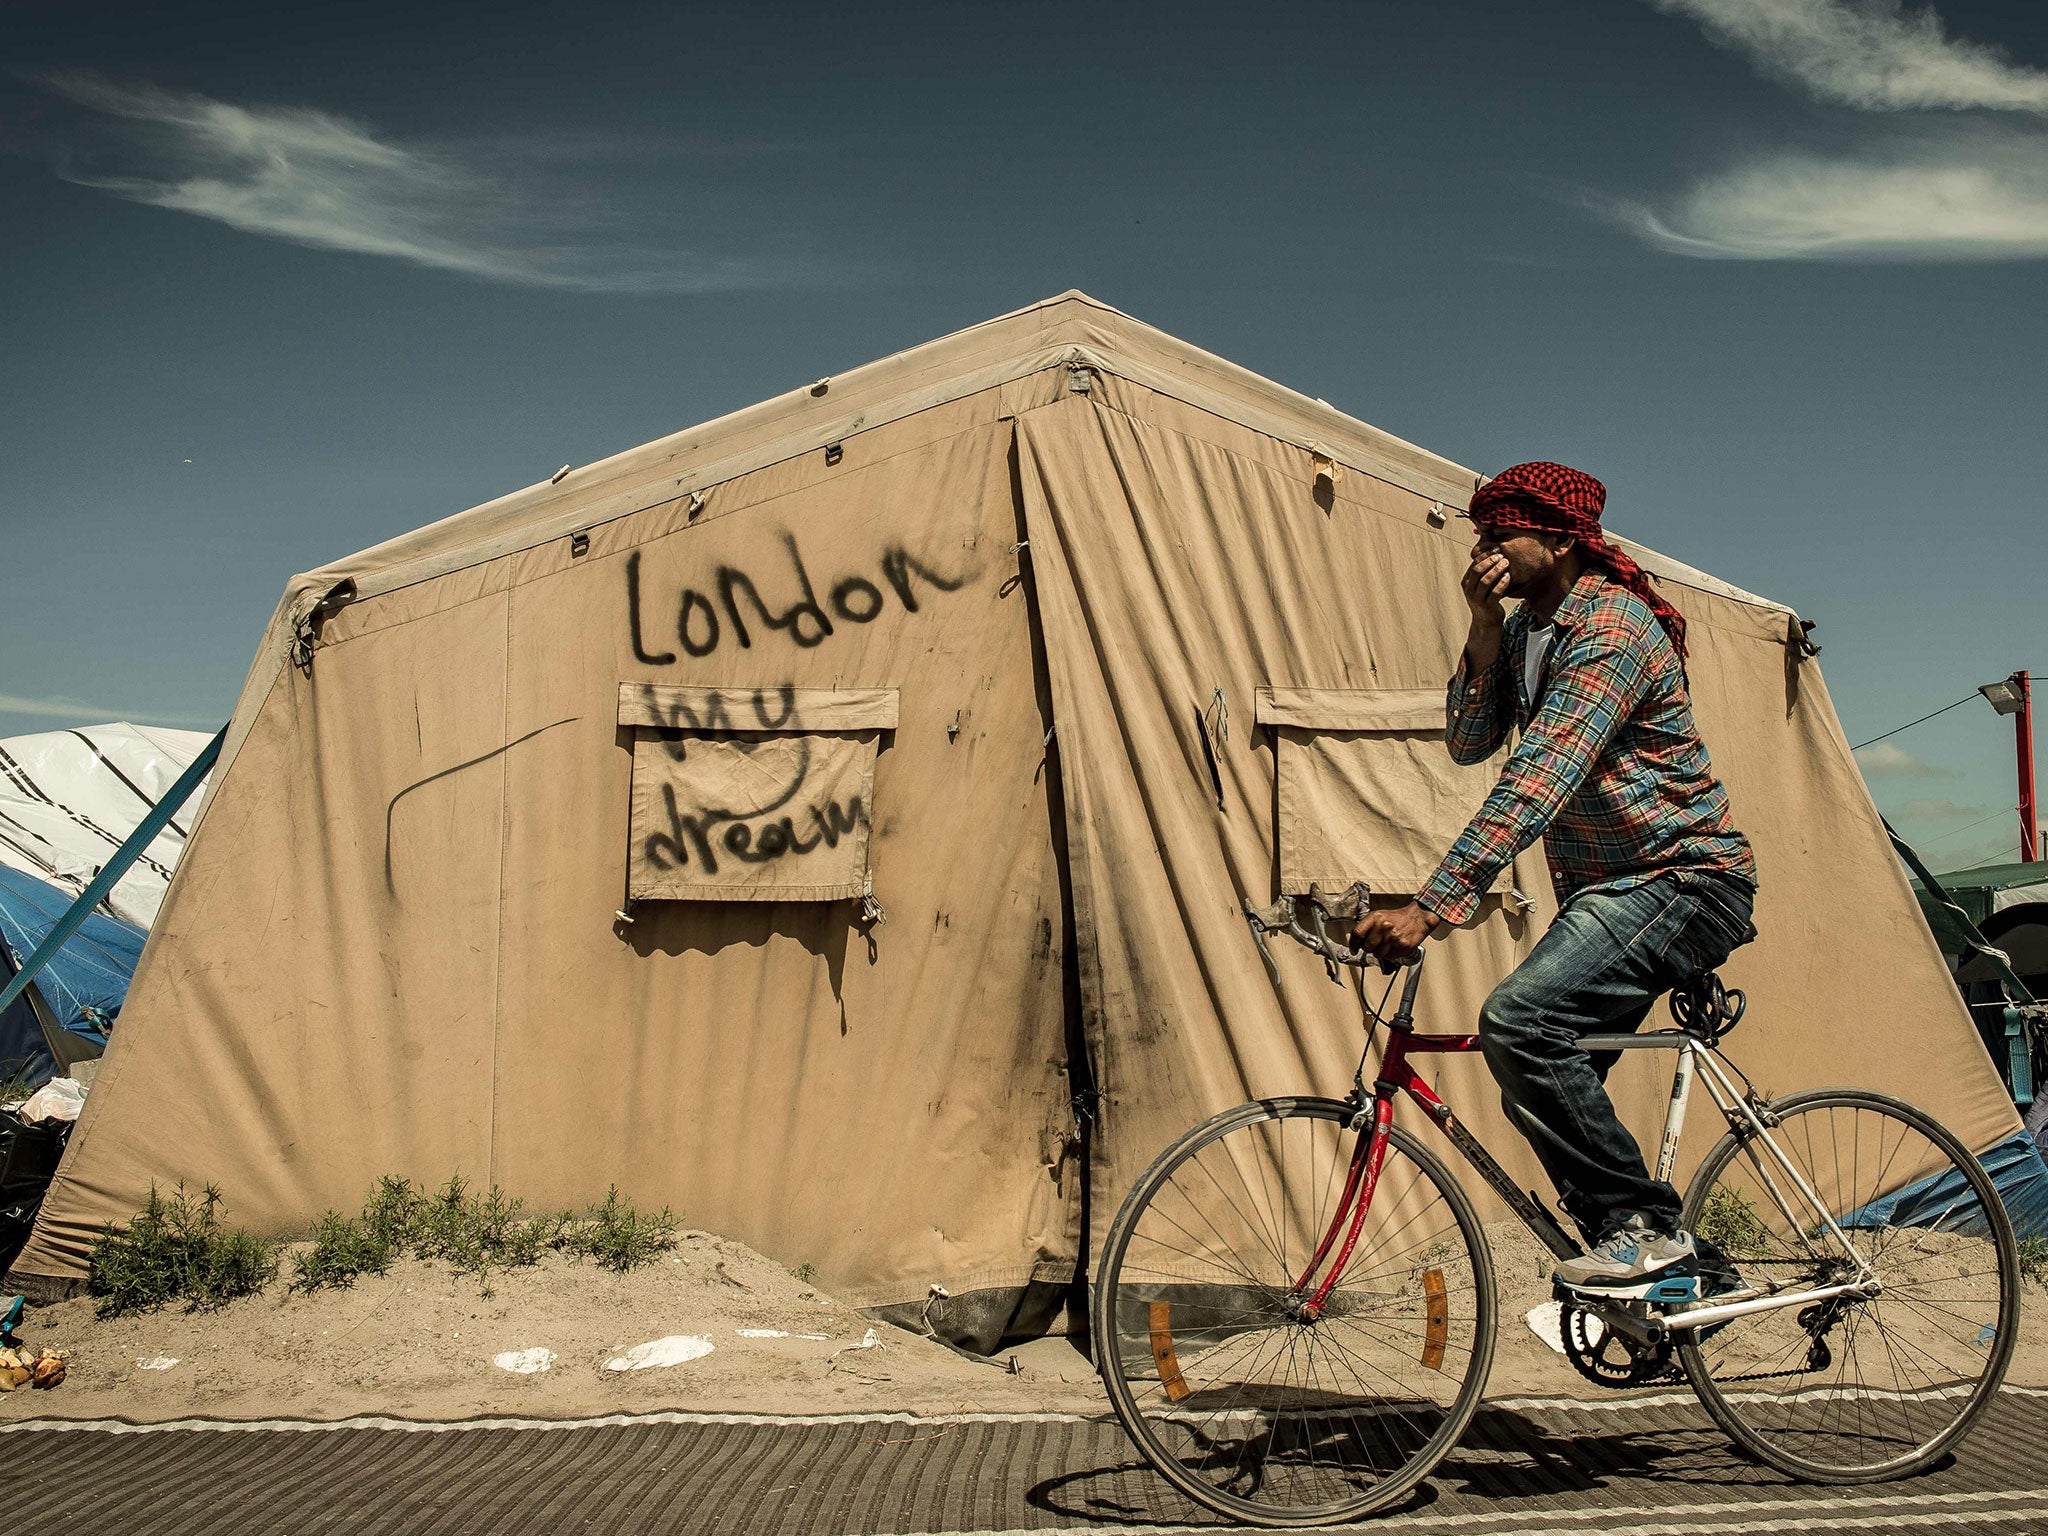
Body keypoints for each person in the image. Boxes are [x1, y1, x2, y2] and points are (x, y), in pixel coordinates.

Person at [1350, 461, 1757, 1296]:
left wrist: (1433, 908)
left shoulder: (1612, 629)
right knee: (1538, 1085)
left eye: (1502, 532)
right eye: (1480, 533)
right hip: (1615, 894)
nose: (1485, 547)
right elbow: (1469, 741)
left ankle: (1643, 1235)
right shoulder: (1534, 630)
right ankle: (1688, 1277)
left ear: (1564, 538)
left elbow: (1539, 774)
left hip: (1682, 877)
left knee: (1520, 1022)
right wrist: (1482, 622)